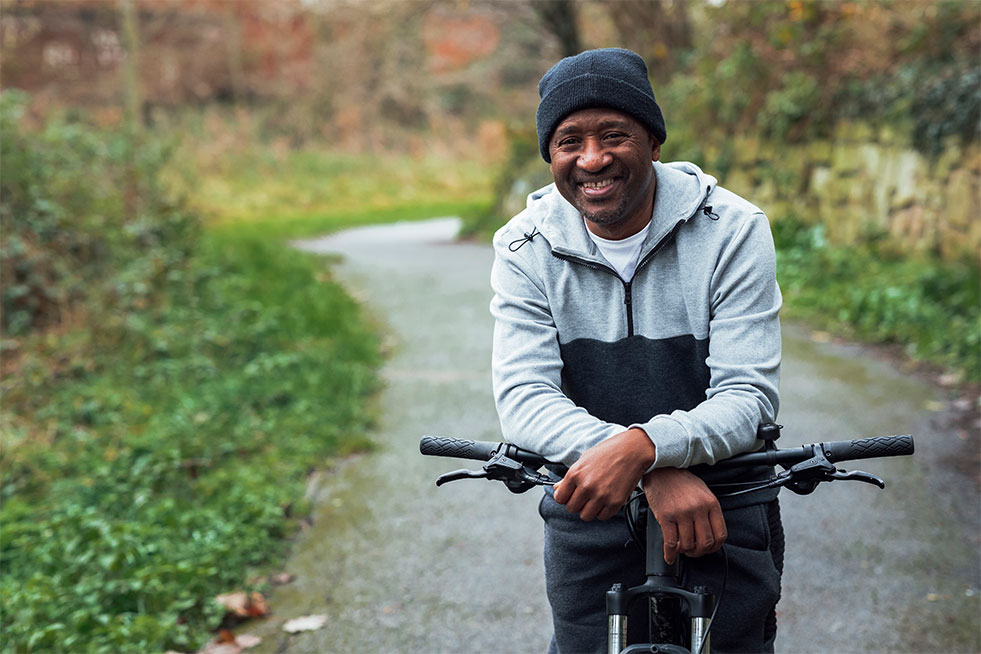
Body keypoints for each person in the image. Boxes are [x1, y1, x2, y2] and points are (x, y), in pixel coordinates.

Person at [489, 48, 784, 653]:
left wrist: (645, 448)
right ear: (550, 155)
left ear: (653, 140)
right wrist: (645, 469)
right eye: (569, 141)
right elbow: (524, 396)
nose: (592, 159)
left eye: (614, 135)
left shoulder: (731, 228)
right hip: (589, 503)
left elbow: (748, 394)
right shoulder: (524, 247)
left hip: (723, 503)